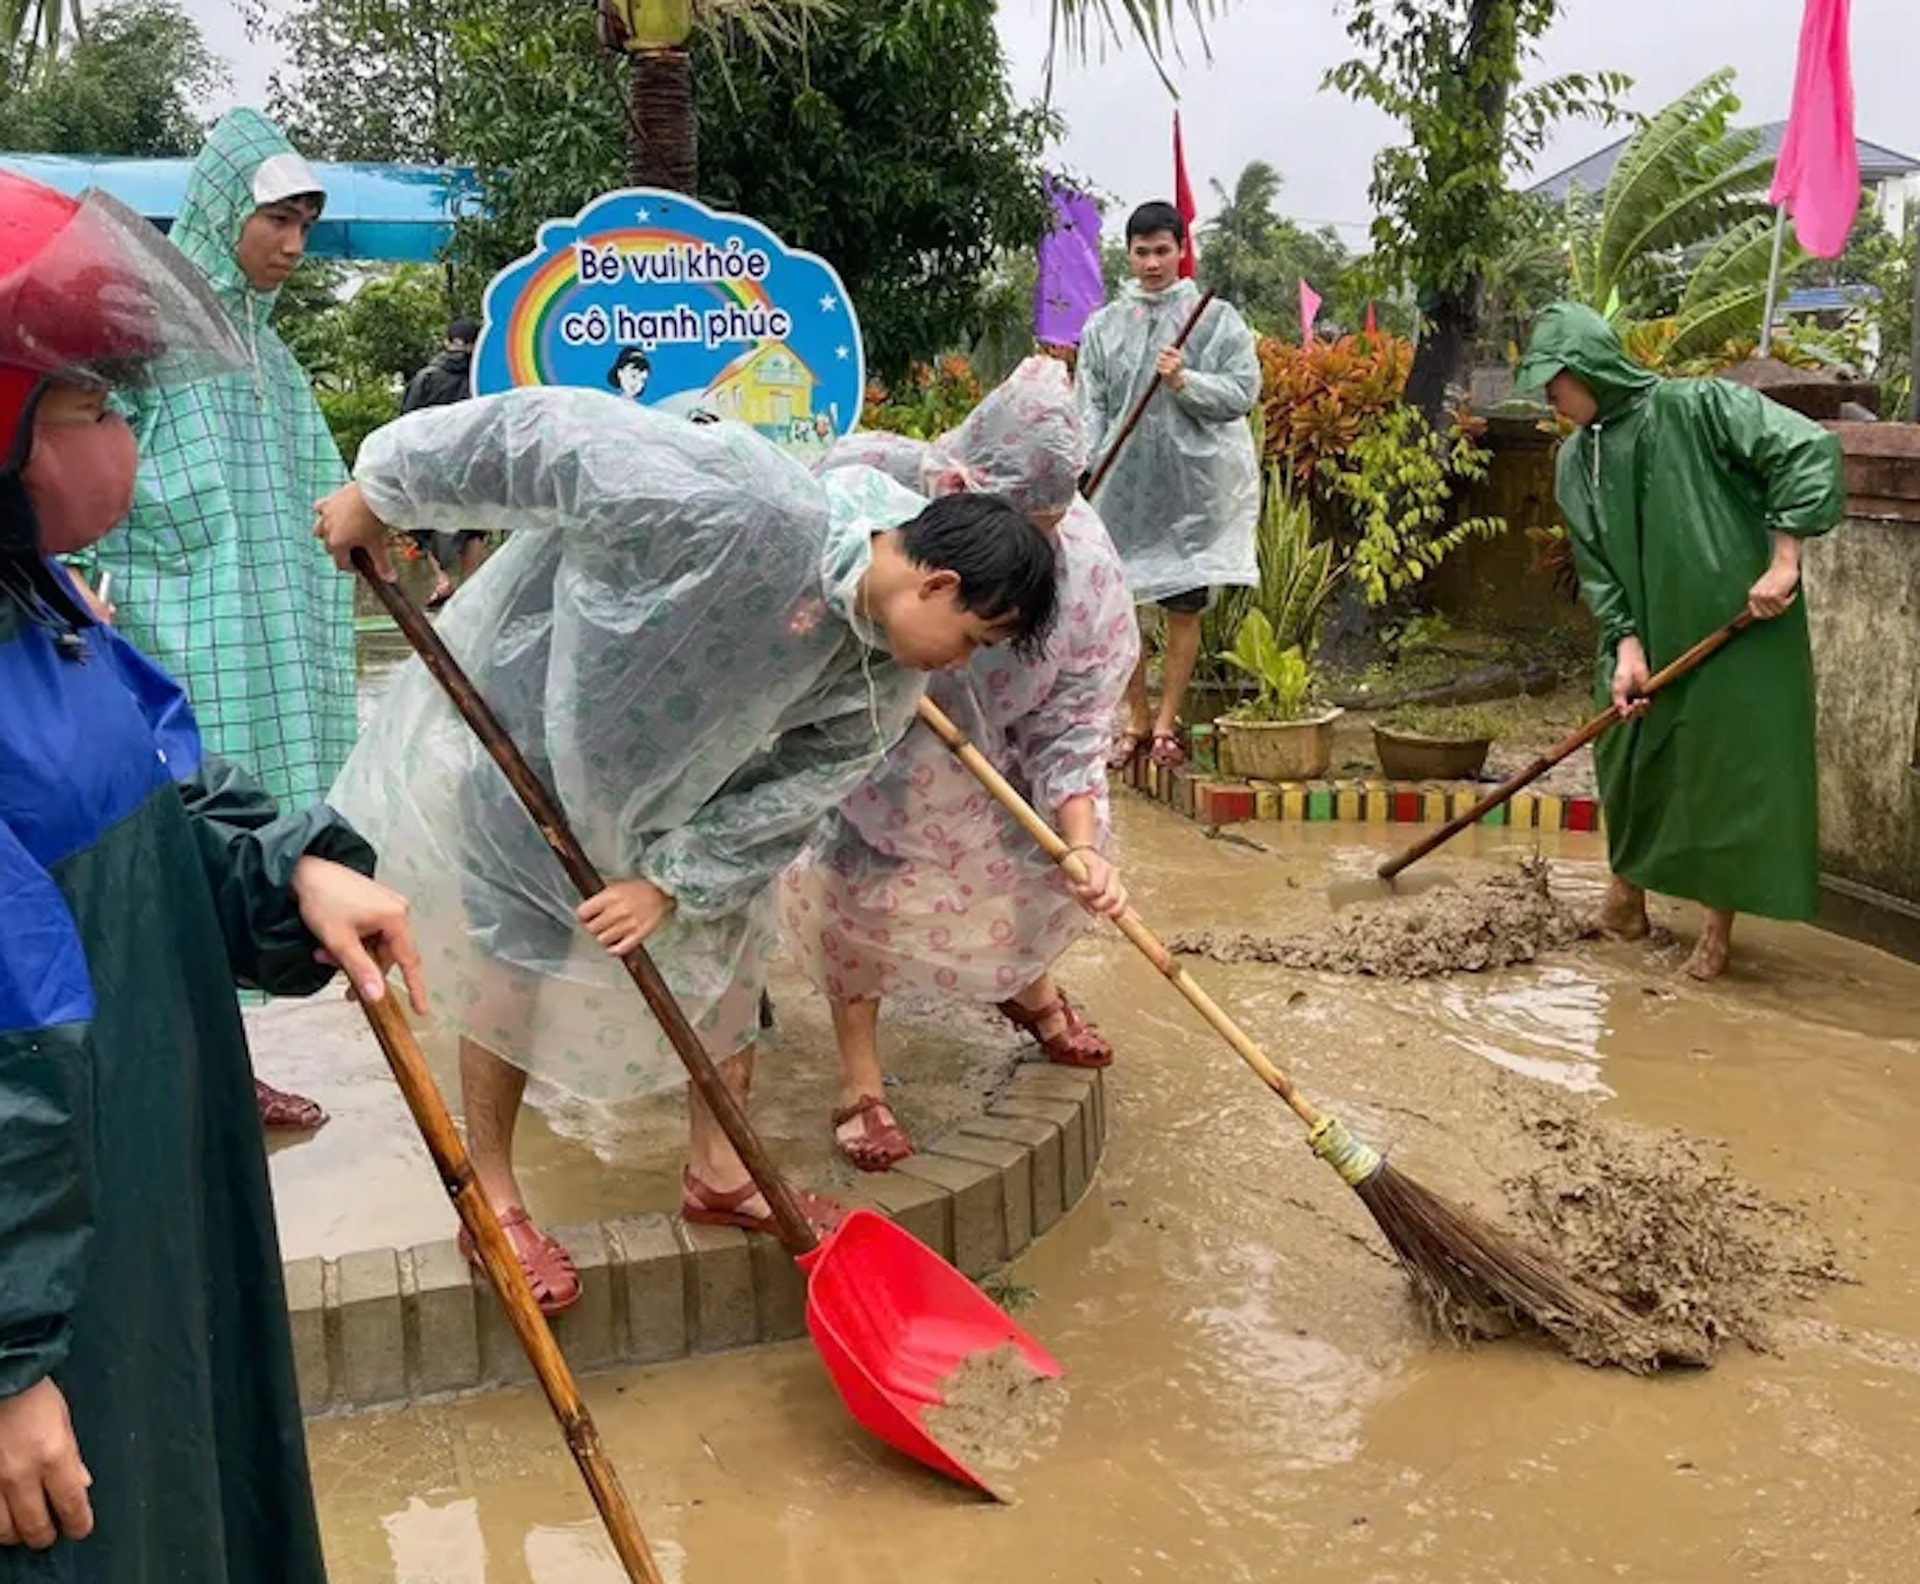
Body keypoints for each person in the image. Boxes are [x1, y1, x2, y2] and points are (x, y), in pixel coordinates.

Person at [315, 387, 1059, 1313]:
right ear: (937, 584)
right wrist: (386, 491)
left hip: (680, 809)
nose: (959, 664)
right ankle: (495, 1197)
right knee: (519, 956)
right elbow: (549, 438)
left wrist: (672, 882)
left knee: (724, 962)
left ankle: (719, 1172)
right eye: (972, 639)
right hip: (531, 736)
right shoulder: (746, 504)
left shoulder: (883, 681)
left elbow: (790, 798)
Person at [0, 170, 425, 1579]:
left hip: (149, 1194)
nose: (124, 437)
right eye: (88, 408)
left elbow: (165, 785)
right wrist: (9, 1362)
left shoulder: (47, 609)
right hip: (50, 1288)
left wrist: (290, 866)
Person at [780, 357, 1138, 1170]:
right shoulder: (867, 478)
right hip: (872, 726)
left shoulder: (1087, 579)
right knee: (857, 874)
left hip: (998, 743)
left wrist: (1079, 841)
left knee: (1029, 857)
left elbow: (1076, 725)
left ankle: (1026, 985)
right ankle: (860, 1081)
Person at [83, 108, 353, 1132]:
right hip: (166, 634)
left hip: (261, 643)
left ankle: (218, 1068)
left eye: (305, 224)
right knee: (172, 852)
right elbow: (81, 469)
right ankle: (174, 1076)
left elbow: (319, 482)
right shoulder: (146, 335)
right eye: (276, 219)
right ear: (221, 211)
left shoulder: (268, 359)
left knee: (245, 847)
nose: (292, 244)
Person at [1515, 302, 1844, 980]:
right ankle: (1625, 903)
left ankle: (1715, 938)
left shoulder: (1698, 408)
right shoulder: (1577, 459)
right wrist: (1626, 644)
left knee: (1721, 771)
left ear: (1588, 369)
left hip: (1738, 626)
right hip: (1644, 636)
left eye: (1557, 387)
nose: (1554, 403)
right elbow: (1598, 566)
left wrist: (1785, 561)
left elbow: (1806, 449)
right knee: (1627, 754)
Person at [1076, 199, 1261, 771]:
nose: (1152, 262)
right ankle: (1133, 717)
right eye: (1142, 251)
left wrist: (1185, 382)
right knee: (1122, 609)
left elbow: (1241, 392)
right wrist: (1088, 465)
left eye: (1163, 250)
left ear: (1182, 251)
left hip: (1193, 492)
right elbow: (1092, 405)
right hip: (1122, 493)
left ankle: (1164, 723)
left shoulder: (1217, 319)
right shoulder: (1104, 326)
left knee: (1183, 609)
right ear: (1127, 254)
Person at [402, 315, 487, 608]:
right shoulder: (482, 376)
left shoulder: (426, 377)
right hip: (474, 462)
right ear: (477, 343)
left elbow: (407, 422)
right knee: (474, 525)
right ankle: (473, 584)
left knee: (430, 523)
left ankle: (443, 581)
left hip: (434, 463)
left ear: (447, 341)